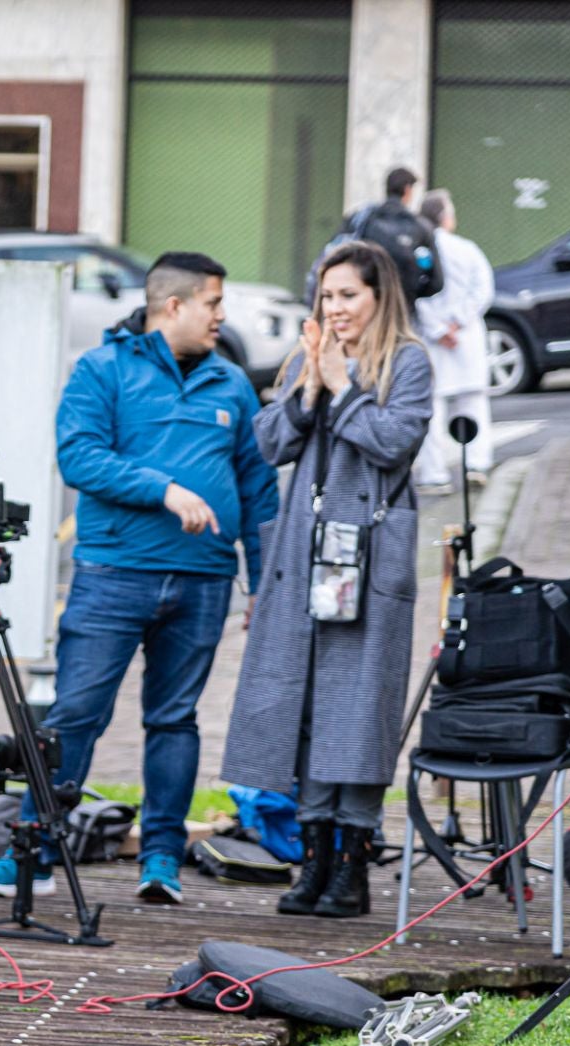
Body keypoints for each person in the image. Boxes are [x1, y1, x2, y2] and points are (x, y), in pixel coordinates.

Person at [0, 253, 277, 906]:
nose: (223, 316)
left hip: (203, 580)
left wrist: (264, 581)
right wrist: (164, 489)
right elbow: (80, 457)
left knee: (175, 718)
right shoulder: (102, 370)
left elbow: (257, 487)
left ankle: (161, 858)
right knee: (77, 713)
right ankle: (34, 853)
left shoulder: (232, 383)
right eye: (213, 304)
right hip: (113, 573)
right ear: (174, 306)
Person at [225, 240, 433, 919]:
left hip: (366, 560)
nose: (335, 308)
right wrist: (310, 387)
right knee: (306, 706)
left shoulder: (408, 360)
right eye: (327, 295)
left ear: (380, 296)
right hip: (304, 557)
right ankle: (312, 860)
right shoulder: (311, 357)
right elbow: (269, 444)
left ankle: (351, 867)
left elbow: (394, 440)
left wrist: (341, 385)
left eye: (348, 294)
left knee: (359, 708)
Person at [412, 189, 496, 492]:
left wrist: (438, 328)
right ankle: (476, 463)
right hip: (466, 336)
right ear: (445, 217)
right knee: (472, 402)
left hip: (433, 340)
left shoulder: (419, 253)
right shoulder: (467, 249)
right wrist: (458, 322)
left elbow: (415, 295)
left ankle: (434, 474)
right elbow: (483, 290)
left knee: (431, 408)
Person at [307, 167, 442, 315]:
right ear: (408, 190)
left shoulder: (360, 220)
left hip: (364, 312)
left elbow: (333, 257)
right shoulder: (420, 228)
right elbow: (436, 282)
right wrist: (406, 293)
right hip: (401, 311)